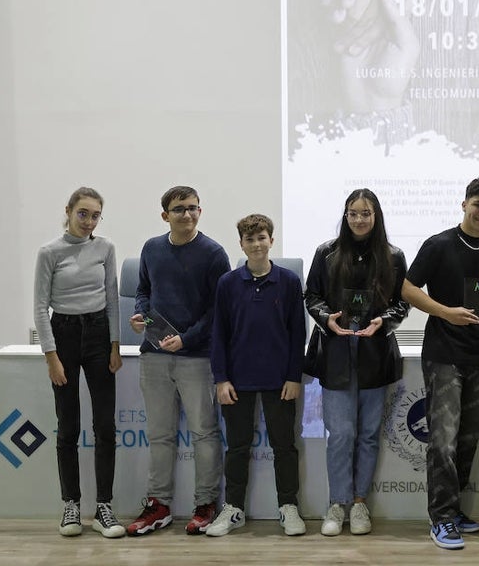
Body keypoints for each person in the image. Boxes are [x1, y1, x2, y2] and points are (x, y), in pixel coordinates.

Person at [401, 178, 479, 550]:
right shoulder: (439, 244)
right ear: (463, 204)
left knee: (467, 440)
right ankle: (441, 519)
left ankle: (454, 509)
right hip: (443, 354)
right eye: (477, 204)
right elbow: (408, 289)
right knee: (442, 442)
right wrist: (446, 312)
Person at [304, 189, 409, 537]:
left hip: (374, 352)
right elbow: (312, 295)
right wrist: (326, 318)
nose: (359, 219)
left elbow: (401, 303)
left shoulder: (393, 256)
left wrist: (385, 322)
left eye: (365, 213)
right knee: (341, 435)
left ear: (376, 216)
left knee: (367, 435)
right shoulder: (327, 252)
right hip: (336, 351)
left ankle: (360, 503)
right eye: (353, 213)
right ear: (345, 216)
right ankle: (337, 503)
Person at [126, 186, 230, 536]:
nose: (187, 214)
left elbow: (219, 310)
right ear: (164, 215)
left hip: (197, 358)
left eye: (193, 208)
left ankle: (205, 504)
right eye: (179, 209)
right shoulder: (152, 249)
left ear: (200, 212)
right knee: (159, 435)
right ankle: (159, 505)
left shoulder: (214, 253)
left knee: (204, 433)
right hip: (154, 358)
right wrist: (140, 314)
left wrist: (186, 338)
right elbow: (143, 290)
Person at [206, 214, 307, 537]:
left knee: (284, 446)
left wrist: (294, 377)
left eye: (261, 238)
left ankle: (288, 507)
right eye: (249, 240)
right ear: (242, 245)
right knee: (236, 447)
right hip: (237, 380)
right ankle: (233, 508)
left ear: (271, 241)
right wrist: (221, 379)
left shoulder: (289, 282)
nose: (256, 244)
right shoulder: (228, 284)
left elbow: (297, 334)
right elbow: (218, 335)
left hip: (280, 381)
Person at [33, 187, 124, 538]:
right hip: (64, 334)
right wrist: (51, 356)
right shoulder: (49, 252)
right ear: (68, 211)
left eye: (95, 215)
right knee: (68, 426)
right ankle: (71, 505)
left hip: (99, 334)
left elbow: (113, 298)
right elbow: (41, 307)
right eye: (82, 213)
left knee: (105, 425)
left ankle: (104, 507)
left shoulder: (105, 248)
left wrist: (115, 345)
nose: (88, 221)